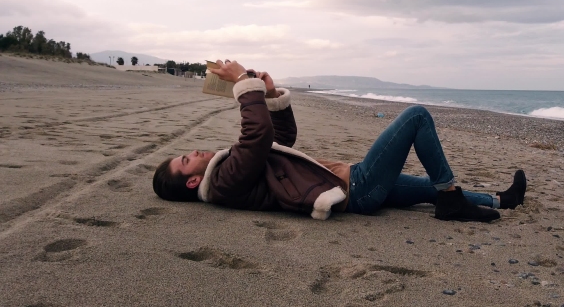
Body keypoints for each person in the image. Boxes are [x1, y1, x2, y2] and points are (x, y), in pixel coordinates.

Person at [152, 60, 526, 222]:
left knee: (427, 188)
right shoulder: (223, 182)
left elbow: (279, 139)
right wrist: (241, 86)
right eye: (186, 160)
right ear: (192, 181)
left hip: (349, 183)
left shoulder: (230, 175)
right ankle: (451, 201)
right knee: (416, 116)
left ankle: (498, 200)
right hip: (355, 188)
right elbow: (257, 135)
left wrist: (268, 95)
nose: (195, 153)